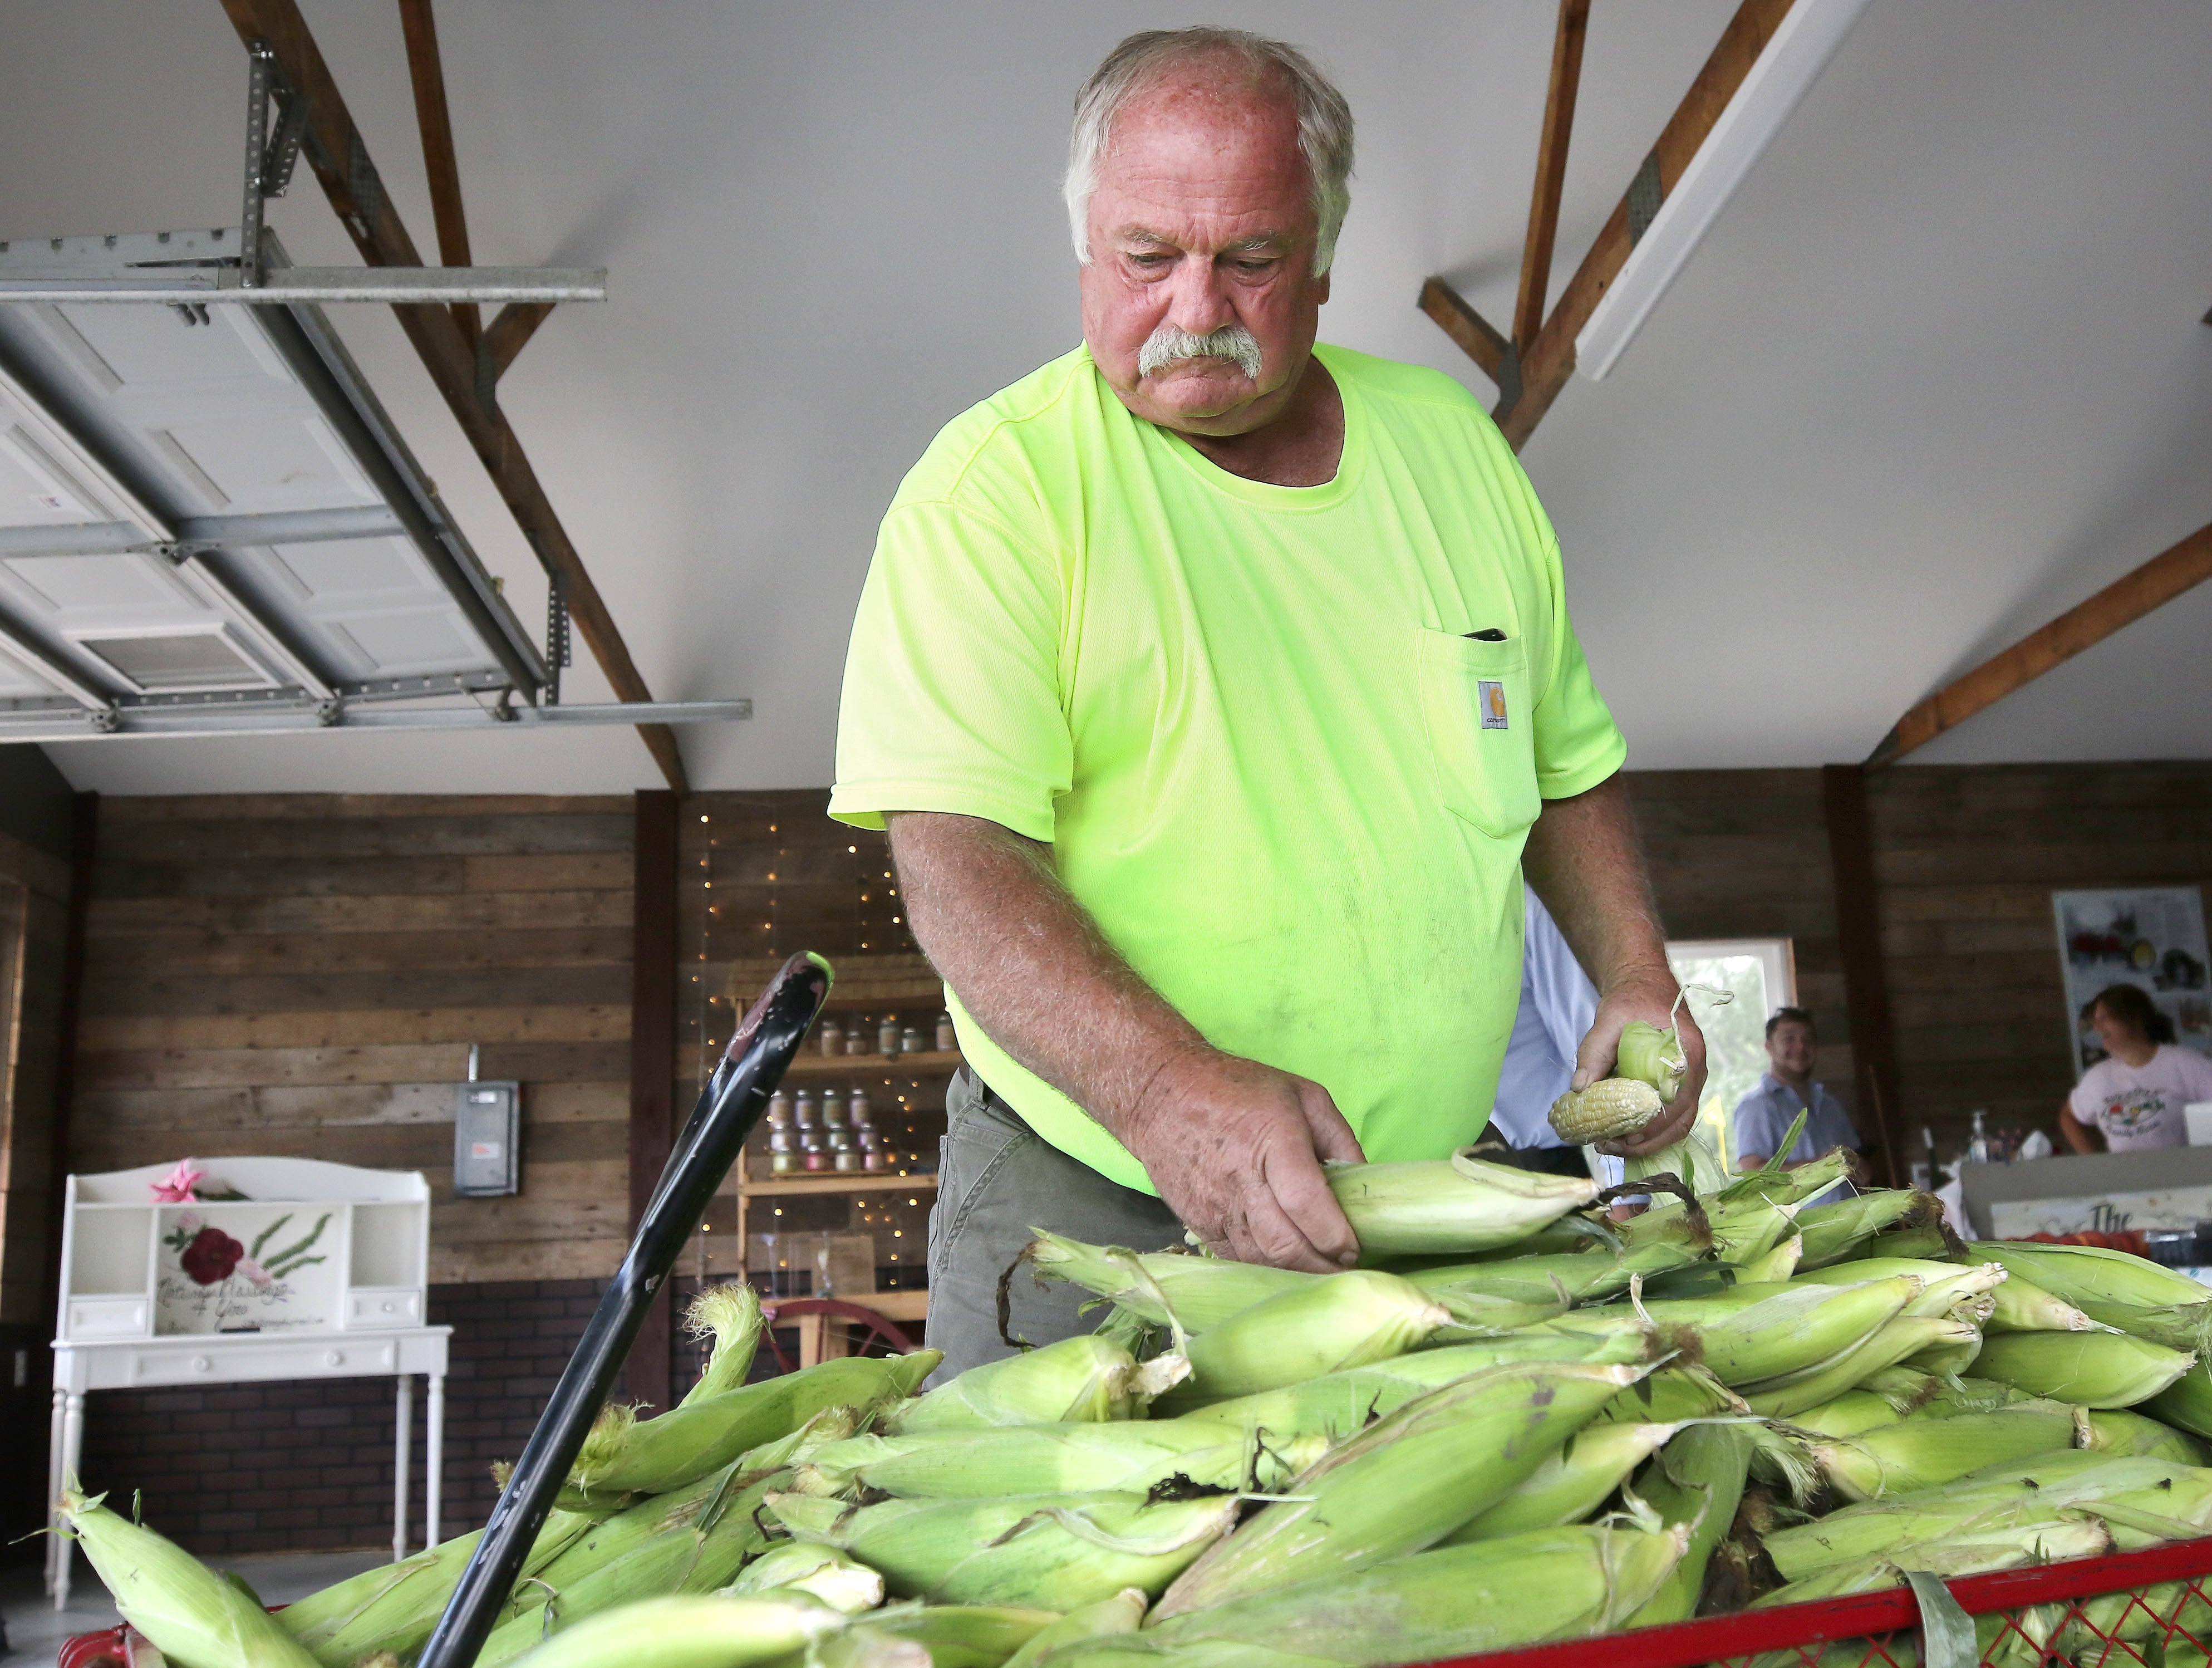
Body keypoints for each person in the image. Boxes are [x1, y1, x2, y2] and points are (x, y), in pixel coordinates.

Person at [830, 27, 1703, 1377]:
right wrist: (1165, 1091)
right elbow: (956, 870)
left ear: (1322, 258)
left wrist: (1635, 975)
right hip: (1099, 1191)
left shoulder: (1455, 456)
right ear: (1081, 252)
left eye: (1248, 260)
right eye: (1143, 258)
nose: (1193, 305)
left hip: (1424, 1190)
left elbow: (1562, 763)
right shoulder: (992, 496)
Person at [1485, 890, 1601, 1176]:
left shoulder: (1522, 903)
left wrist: (1628, 1197)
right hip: (1432, 1177)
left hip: (1546, 1171)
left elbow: (1595, 1051)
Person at [1731, 1007, 1865, 1206]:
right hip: (1801, 1234)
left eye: (1808, 1040)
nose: (1800, 1047)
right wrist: (1822, 1166)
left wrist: (1862, 1169)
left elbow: (1856, 1162)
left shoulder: (1830, 1104)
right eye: (1789, 1039)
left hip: (1858, 1224)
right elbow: (1752, 1175)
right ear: (1769, 1047)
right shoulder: (1756, 1107)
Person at [2061, 984, 2212, 1154]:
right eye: (2096, 1022)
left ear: (2133, 1018)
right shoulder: (2098, 1076)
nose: (2097, 1028)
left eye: (2104, 1018)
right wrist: (2093, 1162)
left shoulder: (2184, 1063)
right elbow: (2069, 1116)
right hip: (2124, 1178)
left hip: (2182, 1175)